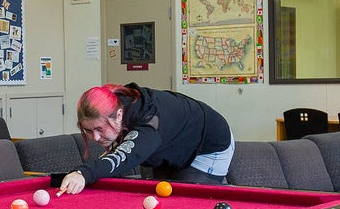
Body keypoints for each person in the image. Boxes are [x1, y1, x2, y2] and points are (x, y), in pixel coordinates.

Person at [57, 83, 235, 194]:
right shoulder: (111, 104)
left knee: (184, 205)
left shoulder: (150, 122)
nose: (95, 137)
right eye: (88, 131)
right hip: (167, 145)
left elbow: (125, 156)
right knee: (157, 198)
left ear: (119, 115)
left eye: (99, 129)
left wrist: (83, 173)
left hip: (209, 147)